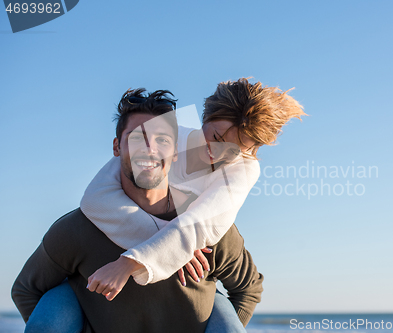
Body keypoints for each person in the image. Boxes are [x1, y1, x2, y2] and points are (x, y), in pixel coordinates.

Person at [12, 89, 264, 333]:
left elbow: (248, 289)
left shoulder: (209, 228)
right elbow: (25, 289)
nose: (149, 148)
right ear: (116, 147)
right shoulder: (79, 228)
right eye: (136, 137)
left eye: (162, 140)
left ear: (176, 152)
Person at [81, 78, 306, 296]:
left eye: (234, 149)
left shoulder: (245, 168)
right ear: (205, 117)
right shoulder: (168, 136)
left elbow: (200, 225)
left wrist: (128, 263)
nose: (218, 151)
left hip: (228, 261)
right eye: (216, 136)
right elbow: (97, 197)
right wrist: (172, 249)